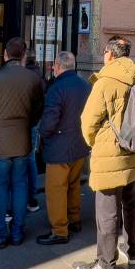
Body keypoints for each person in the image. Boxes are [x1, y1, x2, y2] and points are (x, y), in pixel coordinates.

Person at [76, 36, 135, 269]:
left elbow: (88, 121)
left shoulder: (106, 81)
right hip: (134, 151)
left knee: (106, 209)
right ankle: (132, 250)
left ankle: (106, 264)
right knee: (130, 202)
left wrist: (93, 142)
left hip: (110, 153)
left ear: (109, 54)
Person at [0, 38, 44, 248]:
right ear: (24, 56)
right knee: (20, 185)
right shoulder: (33, 79)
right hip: (21, 139)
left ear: (5, 55)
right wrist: (28, 124)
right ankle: (17, 232)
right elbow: (39, 107)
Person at [34, 52, 91, 245]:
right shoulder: (85, 85)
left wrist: (42, 133)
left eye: (53, 66)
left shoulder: (56, 88)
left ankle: (59, 230)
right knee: (74, 185)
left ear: (58, 66)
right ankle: (74, 220)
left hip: (59, 147)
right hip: (80, 144)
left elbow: (49, 121)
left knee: (56, 189)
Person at [25, 57, 47, 213]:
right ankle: (32, 198)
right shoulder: (42, 80)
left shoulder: (23, 79)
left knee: (19, 160)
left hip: (22, 123)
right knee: (31, 157)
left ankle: (18, 199)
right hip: (35, 122)